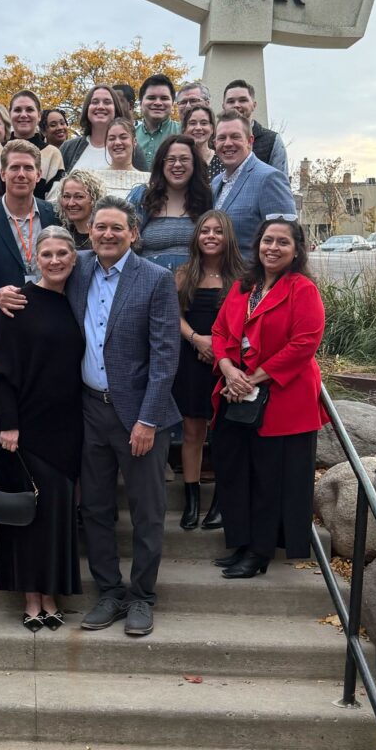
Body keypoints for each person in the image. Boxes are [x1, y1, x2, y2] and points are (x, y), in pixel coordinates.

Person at [0, 196, 180, 638]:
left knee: (147, 510)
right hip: (88, 412)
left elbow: (165, 356)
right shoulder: (79, 267)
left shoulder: (155, 280)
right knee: (95, 507)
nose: (107, 235)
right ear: (90, 232)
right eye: (100, 228)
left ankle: (141, 596)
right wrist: (4, 291)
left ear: (133, 233)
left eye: (117, 228)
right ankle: (109, 591)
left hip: (138, 416)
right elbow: (43, 271)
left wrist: (149, 420)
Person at [210, 216, 326, 579]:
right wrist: (230, 370)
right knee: (237, 473)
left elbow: (304, 343)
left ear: (296, 251)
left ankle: (260, 552)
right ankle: (241, 543)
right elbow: (219, 331)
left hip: (283, 399)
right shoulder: (244, 287)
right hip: (237, 392)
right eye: (267, 241)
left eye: (282, 243)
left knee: (268, 479)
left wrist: (252, 378)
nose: (273, 248)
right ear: (257, 245)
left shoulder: (302, 289)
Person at [0, 226, 85, 630]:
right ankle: (31, 598)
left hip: (67, 427)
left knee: (58, 516)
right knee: (28, 517)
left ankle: (52, 592)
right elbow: (2, 371)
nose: (56, 260)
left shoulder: (78, 301)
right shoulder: (19, 303)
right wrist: (8, 425)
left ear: (74, 259)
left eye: (63, 253)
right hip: (25, 429)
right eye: (47, 254)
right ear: (36, 259)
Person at [0, 139, 60, 390]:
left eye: (28, 168)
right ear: (2, 173)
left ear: (39, 174)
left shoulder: (55, 215)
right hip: (2, 335)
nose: (21, 174)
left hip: (49, 331)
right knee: (3, 418)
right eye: (15, 168)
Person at [173, 210, 245, 531]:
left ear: (228, 236)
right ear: (197, 237)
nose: (211, 236)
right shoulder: (184, 273)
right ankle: (191, 501)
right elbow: (173, 315)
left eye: (218, 231)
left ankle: (221, 502)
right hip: (190, 359)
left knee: (223, 434)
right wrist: (197, 340)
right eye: (205, 231)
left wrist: (218, 348)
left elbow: (246, 323)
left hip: (226, 363)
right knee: (192, 431)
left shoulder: (243, 278)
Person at [211, 111, 297, 259]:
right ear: (215, 144)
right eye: (222, 138)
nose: (228, 143)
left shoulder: (270, 179)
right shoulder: (216, 182)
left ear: (250, 141)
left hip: (254, 279)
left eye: (235, 137)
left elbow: (287, 240)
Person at [128, 135, 212, 272]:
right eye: (171, 159)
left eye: (184, 159)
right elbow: (125, 242)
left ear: (194, 164)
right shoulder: (143, 197)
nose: (177, 164)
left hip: (195, 287)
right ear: (161, 164)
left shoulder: (208, 199)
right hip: (149, 284)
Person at [60, 85, 147, 172]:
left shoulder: (132, 149)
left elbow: (143, 182)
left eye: (107, 102)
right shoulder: (68, 148)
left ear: (116, 109)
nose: (100, 107)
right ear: (87, 108)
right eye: (95, 102)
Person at [222, 79, 288, 176]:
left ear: (254, 105)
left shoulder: (273, 141)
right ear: (223, 106)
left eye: (242, 100)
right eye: (231, 101)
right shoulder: (213, 142)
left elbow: (280, 186)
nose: (236, 105)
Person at [90, 118, 151, 199]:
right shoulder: (93, 178)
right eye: (112, 138)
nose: (117, 142)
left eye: (123, 137)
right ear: (106, 143)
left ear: (134, 142)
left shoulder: (148, 180)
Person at [53, 169, 106, 251]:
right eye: (66, 196)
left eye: (79, 197)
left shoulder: (104, 238)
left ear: (94, 199)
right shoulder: (60, 236)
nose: (71, 203)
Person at [135, 74, 179, 168]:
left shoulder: (183, 133)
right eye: (151, 98)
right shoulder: (129, 135)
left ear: (172, 103)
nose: (158, 103)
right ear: (141, 102)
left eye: (164, 98)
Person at [181, 104, 225, 183]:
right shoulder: (179, 161)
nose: (198, 128)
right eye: (192, 123)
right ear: (184, 129)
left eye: (204, 123)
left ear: (212, 129)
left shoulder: (223, 160)